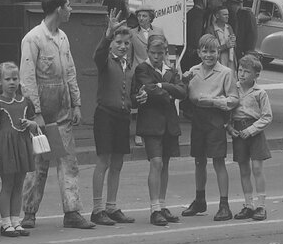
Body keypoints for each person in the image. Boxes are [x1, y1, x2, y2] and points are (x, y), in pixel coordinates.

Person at [20, 0, 92, 230]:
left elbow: (70, 72)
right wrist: (36, 112)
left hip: (62, 110)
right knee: (37, 164)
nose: (70, 10)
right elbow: (27, 78)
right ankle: (29, 212)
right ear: (58, 9)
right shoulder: (33, 38)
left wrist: (77, 103)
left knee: (68, 162)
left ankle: (72, 211)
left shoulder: (62, 37)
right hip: (41, 111)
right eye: (68, 6)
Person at [131, 32, 187, 226]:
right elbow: (148, 89)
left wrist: (163, 85)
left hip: (169, 124)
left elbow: (182, 92)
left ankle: (162, 205)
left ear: (165, 52)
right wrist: (168, 92)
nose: (157, 57)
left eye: (161, 53)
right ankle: (154, 208)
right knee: (156, 162)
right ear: (147, 51)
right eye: (153, 53)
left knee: (165, 163)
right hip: (151, 123)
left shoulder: (170, 70)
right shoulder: (142, 69)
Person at [182, 32, 238, 220]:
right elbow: (185, 95)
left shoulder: (225, 73)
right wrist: (183, 82)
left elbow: (233, 99)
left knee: (218, 160)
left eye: (212, 51)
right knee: (199, 160)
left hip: (215, 117)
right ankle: (199, 200)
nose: (209, 55)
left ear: (218, 52)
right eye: (205, 51)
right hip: (198, 117)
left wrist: (214, 101)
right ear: (199, 52)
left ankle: (224, 204)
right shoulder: (193, 71)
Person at [89, 25, 137, 226]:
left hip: (122, 115)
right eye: (118, 43)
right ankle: (97, 209)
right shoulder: (105, 61)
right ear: (111, 45)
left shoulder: (129, 65)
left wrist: (137, 97)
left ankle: (111, 206)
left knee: (118, 162)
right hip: (105, 115)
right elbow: (98, 54)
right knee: (104, 161)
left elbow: (129, 92)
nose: (123, 46)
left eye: (126, 43)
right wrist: (107, 35)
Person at [0, 62, 37, 236]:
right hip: (6, 147)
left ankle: (16, 220)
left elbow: (35, 123)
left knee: (19, 184)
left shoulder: (25, 102)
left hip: (22, 145)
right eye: (8, 79)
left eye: (15, 78)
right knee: (7, 185)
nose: (12, 82)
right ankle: (5, 222)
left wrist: (30, 124)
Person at [230, 54, 273, 220]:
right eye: (240, 70)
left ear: (256, 75)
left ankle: (261, 205)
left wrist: (252, 129)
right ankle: (248, 205)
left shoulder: (260, 93)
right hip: (239, 131)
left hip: (254, 131)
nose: (242, 74)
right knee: (243, 169)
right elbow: (229, 111)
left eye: (246, 71)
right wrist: (229, 127)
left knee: (256, 168)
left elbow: (267, 116)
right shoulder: (234, 89)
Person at [208, 7, 238, 71]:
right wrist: (226, 46)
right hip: (218, 61)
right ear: (217, 16)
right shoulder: (211, 29)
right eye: (224, 15)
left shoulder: (229, 27)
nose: (227, 17)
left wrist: (234, 41)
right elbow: (210, 49)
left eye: (228, 14)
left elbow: (234, 45)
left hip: (230, 60)